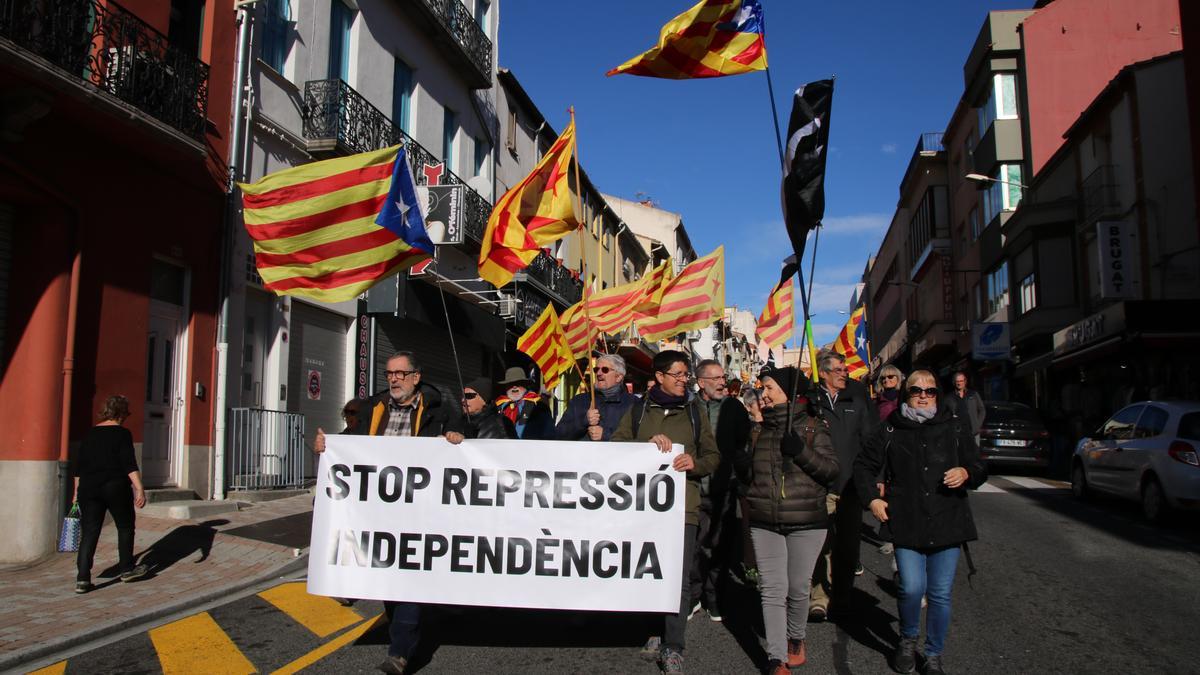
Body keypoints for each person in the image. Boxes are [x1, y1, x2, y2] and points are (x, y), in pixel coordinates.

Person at [315, 351, 464, 675]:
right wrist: (328, 447)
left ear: (416, 377)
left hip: (419, 512)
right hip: (378, 512)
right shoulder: (374, 408)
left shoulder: (439, 410)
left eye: (400, 373)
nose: (394, 379)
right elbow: (350, 443)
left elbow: (464, 442)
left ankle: (400, 653)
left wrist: (455, 439)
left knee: (408, 578)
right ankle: (405, 633)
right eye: (389, 374)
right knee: (389, 581)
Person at [854, 370, 986, 675]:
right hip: (906, 520)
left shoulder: (953, 425)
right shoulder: (890, 428)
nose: (923, 395)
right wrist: (872, 498)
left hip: (947, 520)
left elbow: (978, 465)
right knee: (912, 588)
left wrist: (967, 473)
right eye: (916, 390)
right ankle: (908, 639)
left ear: (937, 394)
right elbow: (863, 465)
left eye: (930, 390)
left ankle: (933, 653)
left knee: (939, 593)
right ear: (906, 393)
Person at [611, 350, 721, 675]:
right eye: (677, 374)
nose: (683, 380)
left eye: (686, 374)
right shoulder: (638, 410)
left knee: (678, 577)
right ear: (659, 376)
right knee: (648, 572)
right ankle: (654, 631)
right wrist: (644, 448)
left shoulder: (695, 411)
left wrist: (695, 463)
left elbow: (713, 455)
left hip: (683, 508)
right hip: (645, 507)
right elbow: (616, 446)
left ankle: (674, 646)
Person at [736, 367, 839, 674]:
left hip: (807, 521)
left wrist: (801, 452)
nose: (763, 394)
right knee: (772, 588)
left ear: (789, 392)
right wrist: (742, 470)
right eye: (762, 389)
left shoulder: (812, 427)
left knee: (797, 587)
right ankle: (776, 657)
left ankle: (796, 637)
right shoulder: (757, 430)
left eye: (769, 388)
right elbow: (751, 479)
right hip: (765, 520)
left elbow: (832, 471)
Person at [809, 350, 880, 621]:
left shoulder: (857, 400)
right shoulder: (812, 401)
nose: (844, 373)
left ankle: (843, 594)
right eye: (838, 369)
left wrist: (877, 479)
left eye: (844, 369)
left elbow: (872, 443)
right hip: (821, 484)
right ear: (824, 373)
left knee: (848, 545)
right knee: (820, 544)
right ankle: (819, 596)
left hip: (851, 485)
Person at [691, 359, 751, 622]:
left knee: (720, 545)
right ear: (701, 382)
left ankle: (714, 596)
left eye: (722, 377)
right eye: (715, 378)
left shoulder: (734, 408)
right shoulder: (688, 407)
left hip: (724, 488)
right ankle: (692, 595)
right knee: (692, 545)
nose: (721, 382)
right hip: (692, 487)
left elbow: (743, 446)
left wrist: (740, 477)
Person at [71, 395, 149, 593]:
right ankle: (126, 569)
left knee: (89, 531)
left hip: (88, 488)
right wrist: (139, 488)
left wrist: (75, 493)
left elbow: (79, 468)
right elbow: (128, 463)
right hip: (114, 486)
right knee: (125, 526)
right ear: (122, 413)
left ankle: (82, 579)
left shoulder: (90, 434)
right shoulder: (122, 434)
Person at [556, 354, 637, 442]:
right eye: (596, 369)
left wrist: (605, 435)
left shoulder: (633, 403)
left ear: (618, 377)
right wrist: (584, 421)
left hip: (616, 455)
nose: (598, 373)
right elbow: (559, 435)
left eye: (605, 370)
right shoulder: (579, 401)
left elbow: (640, 439)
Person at [495, 366, 556, 440]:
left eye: (518, 383)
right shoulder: (498, 406)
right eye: (510, 384)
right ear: (506, 387)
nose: (514, 387)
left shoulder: (538, 406)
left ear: (525, 385)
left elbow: (549, 435)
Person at [950, 371, 986, 442]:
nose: (959, 383)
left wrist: (978, 424)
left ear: (965, 381)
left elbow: (982, 410)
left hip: (973, 432)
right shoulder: (950, 396)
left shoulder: (973, 394)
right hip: (957, 432)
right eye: (957, 381)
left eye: (961, 381)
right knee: (958, 452)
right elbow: (945, 412)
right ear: (954, 382)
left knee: (974, 452)